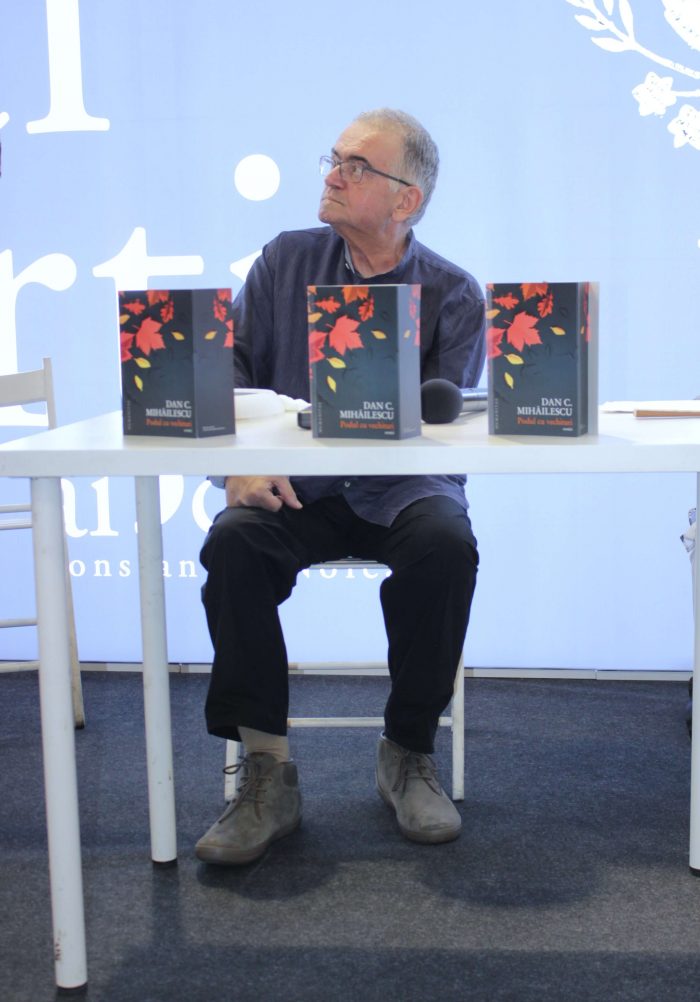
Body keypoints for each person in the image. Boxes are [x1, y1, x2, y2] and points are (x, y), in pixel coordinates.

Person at [196, 109, 485, 865]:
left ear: (405, 200)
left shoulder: (455, 293)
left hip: (403, 490)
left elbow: (448, 425)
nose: (333, 175)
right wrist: (237, 467)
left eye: (357, 166)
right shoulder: (284, 260)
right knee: (233, 544)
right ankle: (266, 771)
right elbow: (226, 371)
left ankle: (408, 752)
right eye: (334, 159)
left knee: (446, 544)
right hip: (297, 489)